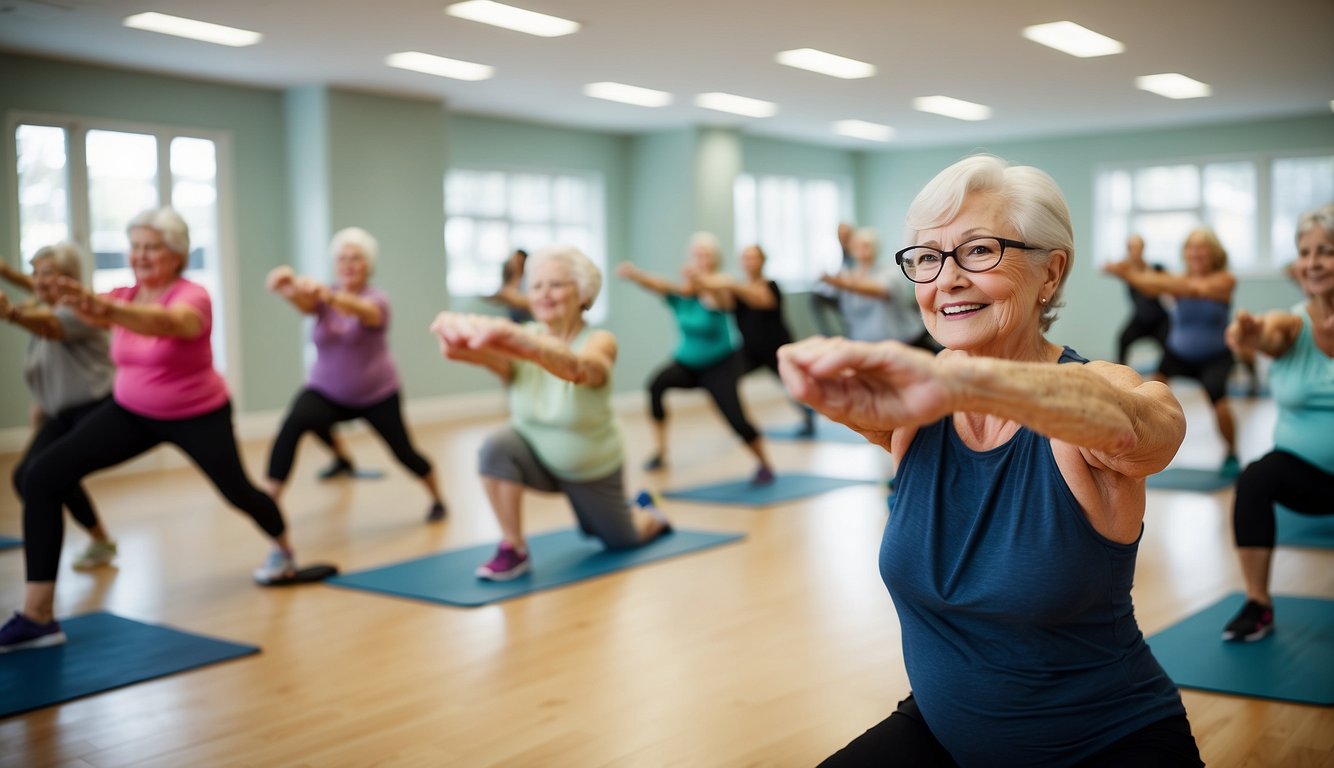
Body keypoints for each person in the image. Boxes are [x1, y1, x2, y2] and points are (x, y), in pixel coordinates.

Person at [781, 155, 1202, 766]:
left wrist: (973, 384)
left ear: (1050, 273)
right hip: (943, 729)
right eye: (927, 257)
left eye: (978, 250)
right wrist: (818, 376)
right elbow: (853, 397)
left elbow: (1151, 427)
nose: (945, 279)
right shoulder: (918, 410)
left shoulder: (1089, 398)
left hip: (1103, 743)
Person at [0, 208, 306, 654]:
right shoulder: (126, 293)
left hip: (198, 414)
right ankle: (38, 616)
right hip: (131, 411)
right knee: (41, 475)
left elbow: (165, 323)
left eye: (151, 247)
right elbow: (66, 313)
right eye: (135, 246)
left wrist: (104, 307)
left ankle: (284, 548)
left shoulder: (193, 296)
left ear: (177, 254)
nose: (140, 255)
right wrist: (29, 304)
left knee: (238, 491)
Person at [431, 246, 672, 580]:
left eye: (556, 285)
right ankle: (512, 548)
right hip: (537, 459)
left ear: (583, 293)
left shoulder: (599, 340)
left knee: (623, 540)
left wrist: (524, 344)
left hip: (591, 468)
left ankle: (648, 511)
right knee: (495, 446)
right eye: (537, 286)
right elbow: (475, 354)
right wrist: (456, 337)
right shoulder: (522, 338)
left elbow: (579, 368)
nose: (544, 294)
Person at [265, 227, 446, 522]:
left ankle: (437, 498)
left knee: (404, 453)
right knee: (295, 423)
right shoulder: (324, 296)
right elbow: (305, 304)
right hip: (326, 390)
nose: (348, 264)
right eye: (342, 258)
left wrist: (330, 296)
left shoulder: (378, 300)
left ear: (368, 265)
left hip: (376, 394)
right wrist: (285, 288)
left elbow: (366, 312)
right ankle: (269, 503)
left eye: (356, 258)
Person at [1219, 203, 1334, 642]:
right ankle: (1257, 603)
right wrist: (1251, 335)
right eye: (1305, 253)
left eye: (1325, 251)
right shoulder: (1293, 323)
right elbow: (1272, 332)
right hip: (1304, 473)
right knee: (1254, 480)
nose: (1313, 263)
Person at [616, 232, 775, 485]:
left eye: (707, 255)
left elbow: (722, 296)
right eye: (698, 254)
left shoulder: (721, 289)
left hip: (720, 365)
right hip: (687, 364)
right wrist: (635, 274)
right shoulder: (680, 294)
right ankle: (660, 451)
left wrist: (702, 282)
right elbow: (659, 285)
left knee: (736, 419)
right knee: (656, 385)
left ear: (715, 259)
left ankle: (765, 464)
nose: (702, 259)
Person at [1, 243, 119, 569]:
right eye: (35, 272)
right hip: (61, 413)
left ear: (69, 278)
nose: (39, 280)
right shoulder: (44, 305)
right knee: (27, 476)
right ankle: (99, 540)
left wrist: (11, 313)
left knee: (47, 475)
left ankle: (92, 542)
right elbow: (40, 300)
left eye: (48, 272)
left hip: (96, 408)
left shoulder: (80, 309)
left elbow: (50, 326)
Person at [1106, 227, 1241, 477]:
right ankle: (1136, 449)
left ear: (1214, 253)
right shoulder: (1176, 279)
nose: (1196, 253)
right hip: (1177, 354)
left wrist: (1130, 274)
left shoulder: (1224, 281)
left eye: (1202, 247)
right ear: (1185, 253)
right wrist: (1129, 273)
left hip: (1214, 357)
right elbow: (1152, 287)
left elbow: (1185, 288)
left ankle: (1232, 452)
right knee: (1146, 396)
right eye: (1191, 247)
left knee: (1220, 406)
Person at [690, 243, 816, 435]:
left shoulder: (770, 285)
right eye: (746, 258)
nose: (749, 262)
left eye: (754, 257)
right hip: (750, 350)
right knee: (726, 378)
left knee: (792, 385)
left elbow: (761, 299)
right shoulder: (736, 289)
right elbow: (722, 303)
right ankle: (741, 423)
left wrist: (727, 283)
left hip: (777, 348)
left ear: (762, 261)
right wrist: (706, 281)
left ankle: (808, 414)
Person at [820, 227, 936, 350]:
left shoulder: (890, 272)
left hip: (902, 343)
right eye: (857, 245)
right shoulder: (845, 275)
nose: (861, 249)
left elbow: (878, 289)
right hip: (862, 345)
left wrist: (839, 282)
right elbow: (825, 293)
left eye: (866, 245)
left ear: (876, 248)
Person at [1107, 234, 1170, 366]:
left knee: (1170, 346)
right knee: (1123, 338)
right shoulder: (1126, 268)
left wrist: (1131, 274)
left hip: (1160, 319)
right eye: (1131, 248)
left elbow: (1165, 283)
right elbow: (1107, 267)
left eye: (1137, 247)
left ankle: (1162, 375)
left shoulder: (1156, 268)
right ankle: (1121, 371)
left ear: (1143, 249)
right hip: (1140, 318)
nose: (1134, 251)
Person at [810, 222, 853, 337]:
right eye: (840, 235)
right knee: (816, 297)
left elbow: (853, 278)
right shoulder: (839, 253)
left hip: (851, 296)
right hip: (841, 293)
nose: (842, 238)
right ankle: (828, 334)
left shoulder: (854, 251)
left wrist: (832, 280)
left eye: (845, 235)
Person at [487, 249, 532, 323]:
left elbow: (529, 301)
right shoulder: (508, 278)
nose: (515, 262)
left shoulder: (528, 279)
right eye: (513, 259)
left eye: (518, 259)